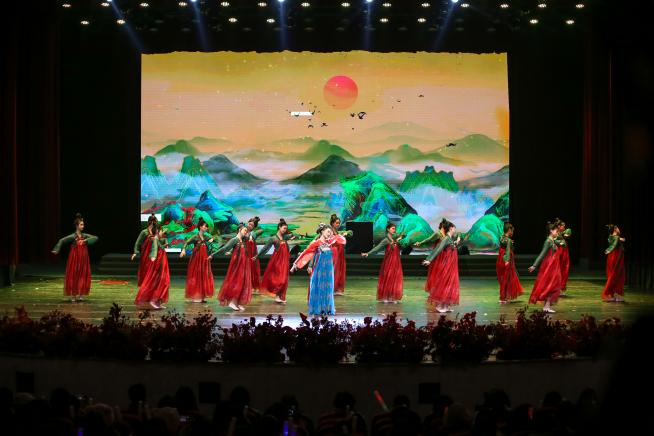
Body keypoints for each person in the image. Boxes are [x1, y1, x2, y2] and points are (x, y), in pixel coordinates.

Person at [291, 223, 346, 316]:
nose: (329, 234)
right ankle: (318, 308)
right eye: (328, 232)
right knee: (318, 288)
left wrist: (335, 236)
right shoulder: (316, 243)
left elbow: (343, 241)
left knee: (328, 289)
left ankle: (326, 308)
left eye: (331, 232)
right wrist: (295, 264)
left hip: (329, 271)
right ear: (322, 231)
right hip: (319, 269)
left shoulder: (330, 242)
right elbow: (305, 252)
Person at [51, 213, 98, 302]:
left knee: (83, 274)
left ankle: (81, 294)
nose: (83, 226)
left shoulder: (84, 236)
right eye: (81, 224)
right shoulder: (73, 236)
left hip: (83, 258)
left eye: (83, 224)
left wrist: (85, 241)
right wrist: (56, 249)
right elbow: (61, 240)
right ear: (77, 226)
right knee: (74, 274)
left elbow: (95, 238)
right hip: (75, 258)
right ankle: (73, 295)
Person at [422, 220, 460, 313]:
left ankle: (446, 305)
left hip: (451, 266)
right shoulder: (446, 239)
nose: (455, 230)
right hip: (447, 265)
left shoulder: (450, 239)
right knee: (444, 284)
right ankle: (440, 305)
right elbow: (438, 249)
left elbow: (452, 247)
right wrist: (429, 259)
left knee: (449, 285)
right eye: (454, 228)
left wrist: (456, 242)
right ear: (450, 228)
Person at [211, 224, 252, 311]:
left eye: (246, 230)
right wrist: (212, 254)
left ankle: (238, 302)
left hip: (244, 265)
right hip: (237, 265)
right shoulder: (234, 240)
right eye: (244, 230)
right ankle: (232, 302)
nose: (246, 232)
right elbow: (224, 248)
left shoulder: (243, 240)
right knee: (236, 282)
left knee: (243, 283)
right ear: (239, 230)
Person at [361, 222, 405, 303]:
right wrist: (368, 253)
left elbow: (403, 237)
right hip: (389, 262)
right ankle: (386, 296)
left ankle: (392, 296)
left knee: (395, 278)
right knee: (388, 278)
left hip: (396, 262)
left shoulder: (395, 239)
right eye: (393, 228)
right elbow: (377, 248)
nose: (394, 230)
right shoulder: (386, 240)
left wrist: (400, 237)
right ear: (388, 229)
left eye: (395, 229)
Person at [256, 218, 296, 304]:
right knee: (279, 280)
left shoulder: (285, 237)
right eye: (284, 228)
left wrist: (290, 233)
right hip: (277, 261)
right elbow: (265, 248)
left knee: (284, 280)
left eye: (286, 228)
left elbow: (293, 234)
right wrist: (257, 256)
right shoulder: (273, 238)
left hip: (285, 261)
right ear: (279, 227)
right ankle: (277, 295)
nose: (285, 230)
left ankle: (280, 296)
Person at [528, 222, 562, 313]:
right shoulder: (548, 241)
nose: (557, 233)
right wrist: (534, 265)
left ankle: (547, 306)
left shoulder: (552, 240)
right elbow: (542, 254)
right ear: (551, 231)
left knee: (552, 286)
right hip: (549, 266)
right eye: (556, 231)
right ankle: (546, 306)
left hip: (553, 266)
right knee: (549, 285)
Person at [134, 224, 170, 309]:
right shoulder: (155, 239)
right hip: (157, 264)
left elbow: (160, 247)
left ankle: (157, 301)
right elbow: (154, 248)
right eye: (161, 231)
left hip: (161, 264)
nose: (162, 233)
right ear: (157, 231)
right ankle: (152, 300)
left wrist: (164, 245)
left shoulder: (158, 239)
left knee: (163, 282)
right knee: (154, 282)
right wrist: (153, 256)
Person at [180, 218, 215, 303]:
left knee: (203, 275)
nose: (206, 228)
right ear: (200, 227)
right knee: (196, 275)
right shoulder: (195, 236)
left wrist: (212, 240)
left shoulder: (206, 236)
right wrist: (183, 250)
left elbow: (212, 239)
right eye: (205, 226)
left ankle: (202, 295)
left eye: (206, 226)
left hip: (204, 259)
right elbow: (186, 243)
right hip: (197, 258)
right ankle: (196, 295)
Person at [496, 222, 524, 303]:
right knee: (506, 278)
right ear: (509, 230)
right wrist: (507, 261)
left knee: (503, 278)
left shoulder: (501, 237)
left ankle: (504, 296)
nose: (513, 232)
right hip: (506, 260)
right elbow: (508, 250)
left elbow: (504, 245)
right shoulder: (508, 240)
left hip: (500, 259)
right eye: (512, 231)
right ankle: (503, 298)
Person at [131, 213, 158, 286]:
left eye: (154, 221)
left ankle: (154, 284)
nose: (153, 223)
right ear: (149, 222)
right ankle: (146, 284)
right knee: (146, 268)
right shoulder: (144, 232)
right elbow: (138, 242)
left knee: (155, 269)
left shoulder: (157, 232)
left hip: (155, 253)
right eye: (151, 221)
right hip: (146, 254)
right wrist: (135, 252)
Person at [329, 214, 352, 296]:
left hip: (340, 251)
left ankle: (337, 288)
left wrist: (345, 233)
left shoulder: (337, 231)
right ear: (332, 223)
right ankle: (332, 288)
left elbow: (341, 236)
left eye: (339, 223)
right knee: (334, 269)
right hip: (334, 252)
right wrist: (341, 236)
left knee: (339, 269)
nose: (338, 224)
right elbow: (332, 240)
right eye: (336, 223)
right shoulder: (330, 231)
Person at [601, 224, 626, 302]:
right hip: (615, 257)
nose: (619, 229)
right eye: (617, 228)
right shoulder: (615, 238)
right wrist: (608, 249)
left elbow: (621, 239)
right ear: (615, 229)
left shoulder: (612, 237)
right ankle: (607, 293)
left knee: (616, 275)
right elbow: (615, 243)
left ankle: (615, 293)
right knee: (615, 275)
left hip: (615, 257)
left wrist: (620, 239)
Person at [554, 218, 572, 292]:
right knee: (556, 269)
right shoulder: (554, 233)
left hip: (564, 252)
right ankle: (555, 287)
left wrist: (565, 234)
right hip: (557, 251)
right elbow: (553, 240)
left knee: (564, 268)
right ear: (558, 226)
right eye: (562, 225)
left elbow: (567, 235)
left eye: (564, 226)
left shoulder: (566, 231)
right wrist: (558, 241)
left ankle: (561, 286)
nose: (564, 227)